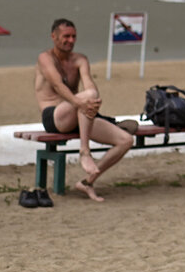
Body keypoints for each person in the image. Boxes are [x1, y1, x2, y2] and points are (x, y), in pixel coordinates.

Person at [34, 18, 136, 201]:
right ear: (54, 37)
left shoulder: (80, 59)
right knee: (87, 96)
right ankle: (84, 152)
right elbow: (57, 85)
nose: (71, 40)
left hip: (80, 114)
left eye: (74, 36)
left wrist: (92, 100)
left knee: (126, 140)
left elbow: (89, 85)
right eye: (66, 36)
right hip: (55, 117)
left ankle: (87, 182)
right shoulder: (45, 58)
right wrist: (80, 102)